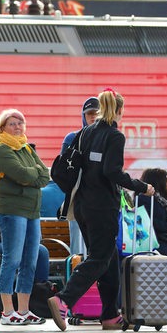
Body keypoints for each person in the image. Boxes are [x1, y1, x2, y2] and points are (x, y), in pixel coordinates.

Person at [48, 89, 154, 332]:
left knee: (108, 260)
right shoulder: (115, 136)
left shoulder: (85, 132)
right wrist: (142, 187)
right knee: (100, 258)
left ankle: (109, 315)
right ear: (119, 111)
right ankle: (64, 299)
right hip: (102, 207)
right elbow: (111, 172)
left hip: (83, 206)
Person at [0, 109, 50, 325]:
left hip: (32, 211)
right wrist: (31, 173)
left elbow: (45, 175)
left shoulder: (26, 148)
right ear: (2, 128)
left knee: (30, 261)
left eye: (20, 123)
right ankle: (7, 311)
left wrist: (31, 173)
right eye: (12, 124)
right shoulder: (1, 149)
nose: (17, 127)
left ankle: (23, 310)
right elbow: (24, 174)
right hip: (12, 211)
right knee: (12, 259)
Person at [61, 97, 100, 255]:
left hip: (101, 199)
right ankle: (78, 276)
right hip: (78, 198)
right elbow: (62, 169)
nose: (93, 116)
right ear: (83, 116)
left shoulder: (107, 137)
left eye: (97, 113)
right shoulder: (72, 138)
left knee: (99, 246)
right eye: (89, 113)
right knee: (78, 248)